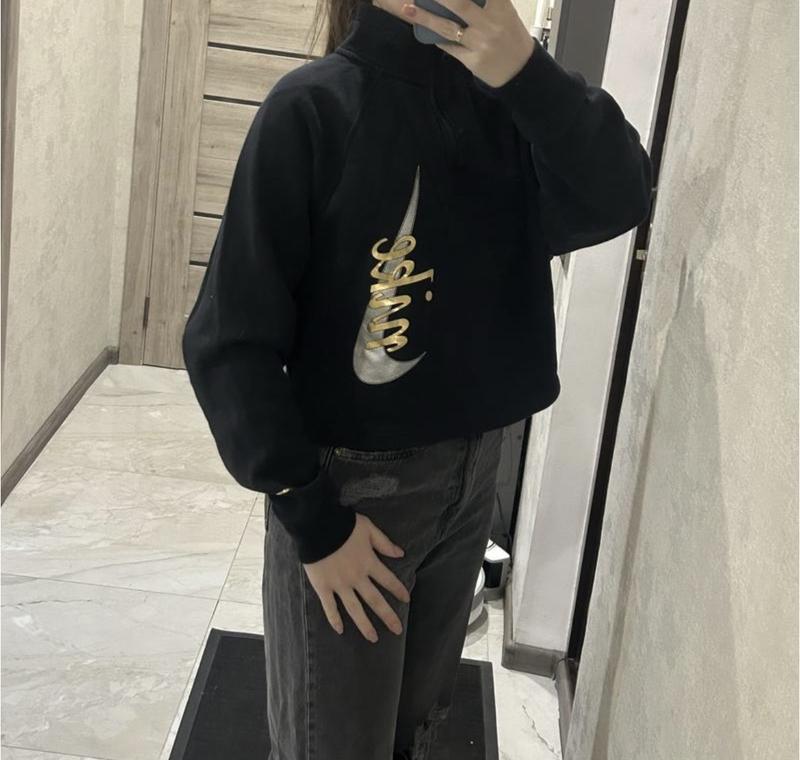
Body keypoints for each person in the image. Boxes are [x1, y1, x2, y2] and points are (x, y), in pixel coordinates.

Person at [181, 0, 653, 757]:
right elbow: (228, 339)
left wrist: (526, 73)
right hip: (354, 489)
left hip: (475, 472)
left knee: (414, 725)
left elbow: (620, 193)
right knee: (335, 742)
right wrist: (311, 517)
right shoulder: (314, 108)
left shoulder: (512, 109)